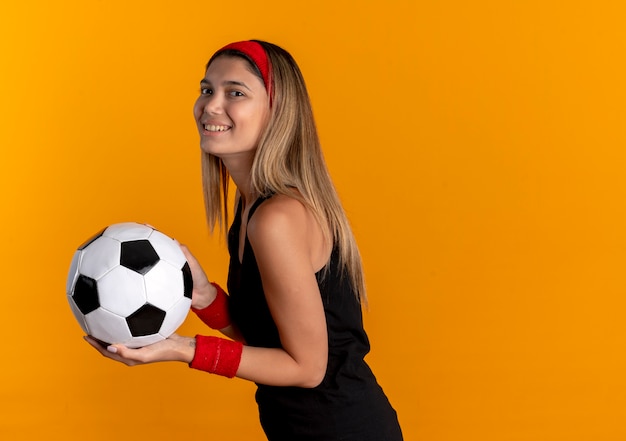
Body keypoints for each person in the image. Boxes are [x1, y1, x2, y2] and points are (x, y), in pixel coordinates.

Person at [85, 39, 404, 441]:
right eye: (206, 90)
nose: (211, 106)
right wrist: (205, 298)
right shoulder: (253, 208)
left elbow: (307, 368)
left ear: (277, 111)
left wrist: (182, 349)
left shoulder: (276, 218)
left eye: (235, 92)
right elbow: (267, 343)